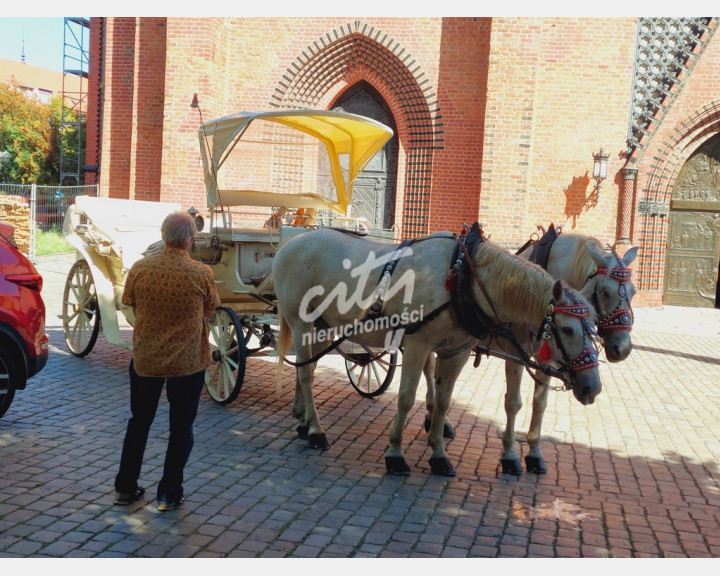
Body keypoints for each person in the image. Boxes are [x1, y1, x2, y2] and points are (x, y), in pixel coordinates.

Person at [114, 211, 220, 511]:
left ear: (163, 236)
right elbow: (211, 308)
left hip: (147, 359)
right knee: (181, 428)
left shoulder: (140, 268)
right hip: (186, 363)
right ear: (190, 240)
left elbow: (130, 301)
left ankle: (125, 486)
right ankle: (169, 493)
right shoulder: (201, 273)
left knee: (139, 423)